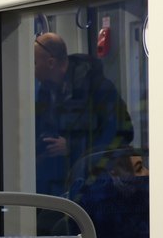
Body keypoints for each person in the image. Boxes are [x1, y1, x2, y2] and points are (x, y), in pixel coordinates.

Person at [32, 32, 135, 201]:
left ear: (50, 63)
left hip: (92, 189)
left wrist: (72, 146)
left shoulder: (97, 87)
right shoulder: (45, 93)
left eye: (35, 63)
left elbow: (123, 132)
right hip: (54, 189)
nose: (32, 69)